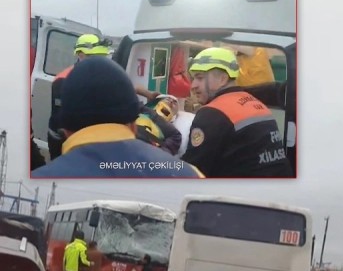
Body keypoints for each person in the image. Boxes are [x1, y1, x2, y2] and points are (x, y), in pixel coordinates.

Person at [31, 57, 204, 178]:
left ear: (66, 131)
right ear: (133, 124)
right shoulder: (189, 175)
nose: (170, 105)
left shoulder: (40, 179)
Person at [181, 47, 293, 177]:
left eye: (200, 78)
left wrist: (165, 162)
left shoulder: (213, 112)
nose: (193, 85)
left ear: (222, 79)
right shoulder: (257, 104)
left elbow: (192, 169)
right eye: (193, 79)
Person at [47, 34, 112, 160]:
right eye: (95, 57)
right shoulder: (63, 80)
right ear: (80, 55)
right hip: (63, 141)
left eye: (102, 57)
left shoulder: (102, 76)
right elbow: (62, 121)